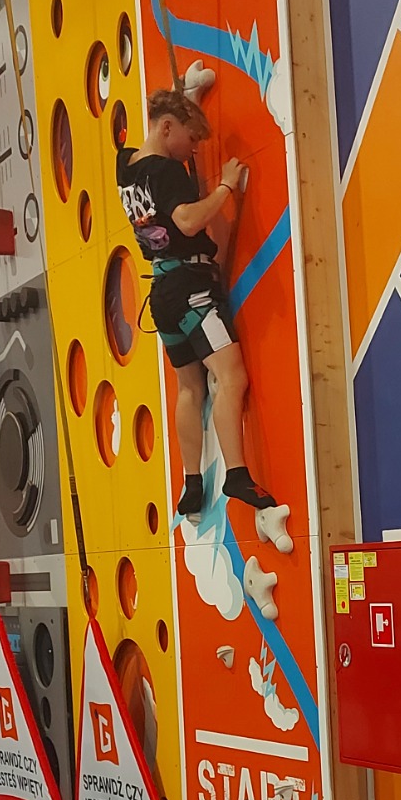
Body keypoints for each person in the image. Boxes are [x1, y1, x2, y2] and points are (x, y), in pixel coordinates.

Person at [115, 87, 275, 518]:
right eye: (190, 139)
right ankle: (237, 474)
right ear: (167, 128)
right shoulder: (166, 170)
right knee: (231, 375)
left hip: (161, 293)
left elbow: (160, 187)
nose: (193, 150)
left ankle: (191, 483)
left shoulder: (125, 167)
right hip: (192, 288)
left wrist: (183, 100)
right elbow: (186, 220)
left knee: (189, 387)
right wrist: (224, 186)